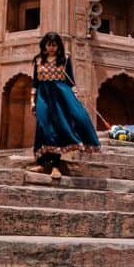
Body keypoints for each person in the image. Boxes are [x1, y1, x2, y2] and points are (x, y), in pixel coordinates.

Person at [28, 32, 101, 178]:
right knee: (43, 126)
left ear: (58, 45)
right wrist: (32, 100)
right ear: (44, 45)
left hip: (61, 95)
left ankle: (55, 166)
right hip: (43, 95)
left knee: (61, 125)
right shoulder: (38, 60)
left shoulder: (65, 59)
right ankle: (41, 163)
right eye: (49, 44)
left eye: (54, 45)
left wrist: (74, 100)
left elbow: (70, 81)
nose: (51, 48)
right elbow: (35, 82)